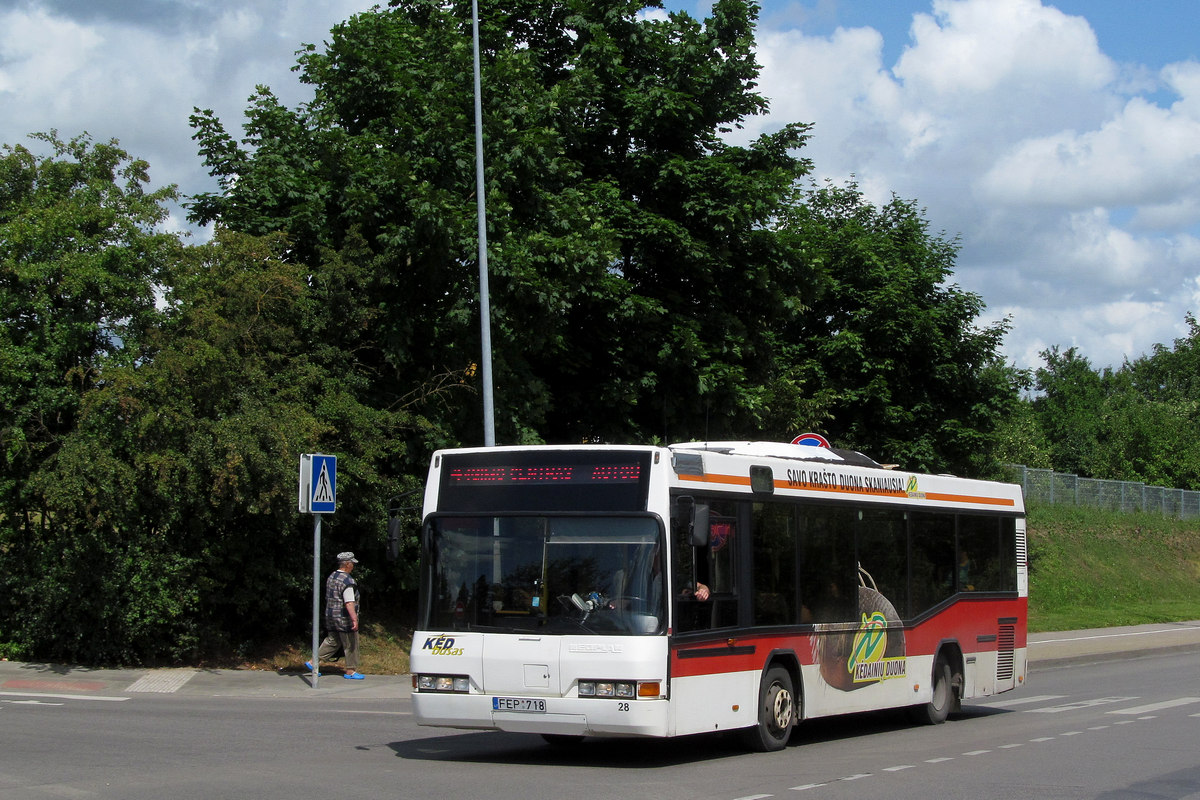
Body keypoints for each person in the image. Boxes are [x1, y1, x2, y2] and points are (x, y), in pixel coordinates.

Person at [308, 551, 365, 680]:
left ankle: (313, 662)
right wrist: (354, 619)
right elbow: (349, 602)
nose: (353, 566)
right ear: (347, 564)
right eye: (352, 564)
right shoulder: (347, 580)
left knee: (333, 641)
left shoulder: (332, 576)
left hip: (330, 615)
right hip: (344, 617)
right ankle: (351, 671)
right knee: (351, 643)